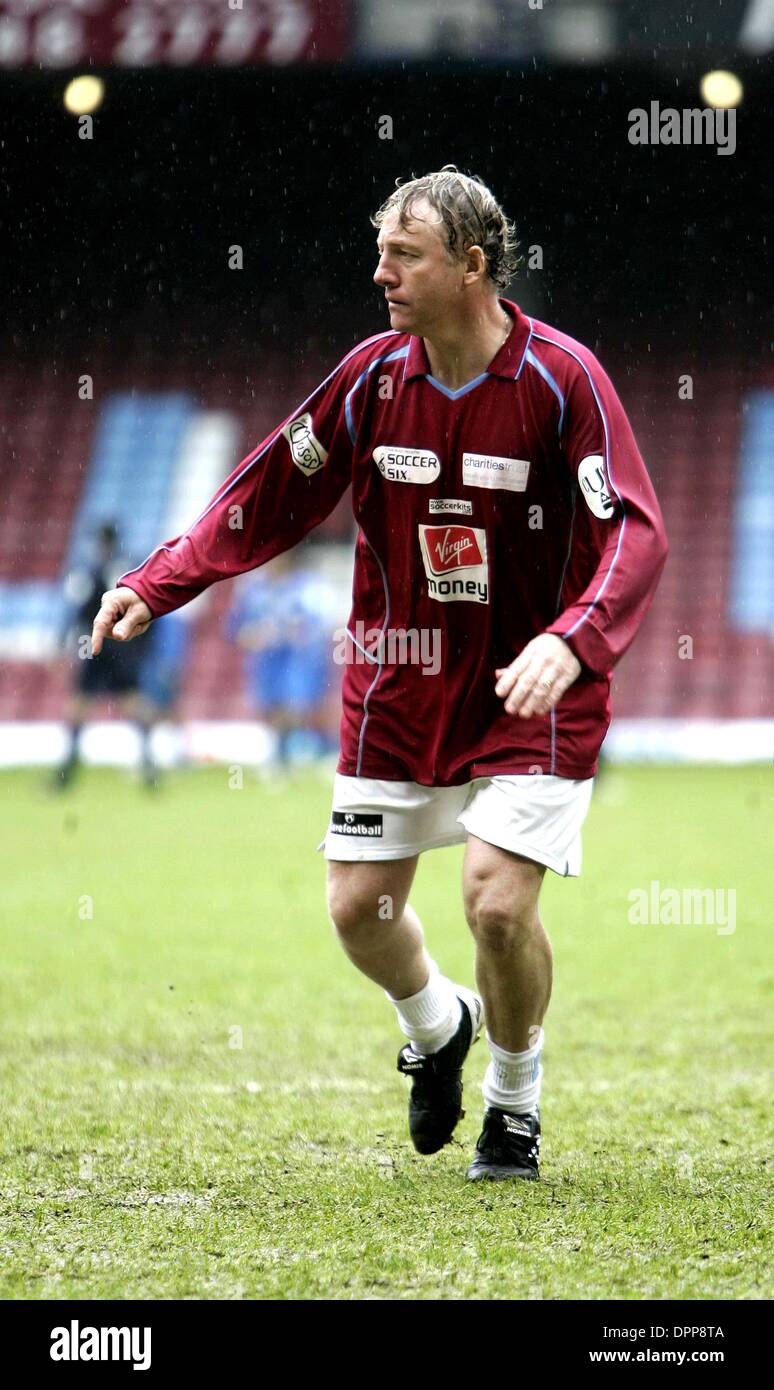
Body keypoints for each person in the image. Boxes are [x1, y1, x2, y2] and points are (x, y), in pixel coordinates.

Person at [91, 166, 668, 1182]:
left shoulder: (562, 379)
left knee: (494, 901)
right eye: (381, 252)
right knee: (359, 908)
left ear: (473, 266)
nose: (381, 273)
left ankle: (514, 1105)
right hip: (396, 683)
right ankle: (441, 1027)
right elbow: (270, 486)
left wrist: (575, 638)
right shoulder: (369, 378)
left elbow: (637, 529)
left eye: (405, 255)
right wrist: (161, 581)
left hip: (531, 685)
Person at [54, 522, 156, 788]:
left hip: (94, 640)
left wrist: (64, 642)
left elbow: (78, 611)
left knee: (81, 701)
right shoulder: (129, 568)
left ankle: (67, 770)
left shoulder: (91, 571)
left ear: (102, 542)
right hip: (123, 642)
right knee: (131, 700)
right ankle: (148, 764)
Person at [227, 553, 338, 771]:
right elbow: (236, 630)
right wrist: (255, 636)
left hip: (294, 658)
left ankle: (304, 752)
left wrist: (289, 632)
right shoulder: (252, 589)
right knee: (272, 709)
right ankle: (283, 757)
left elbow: (317, 626)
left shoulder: (305, 587)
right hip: (265, 660)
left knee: (293, 707)